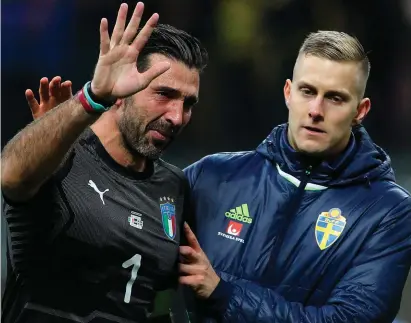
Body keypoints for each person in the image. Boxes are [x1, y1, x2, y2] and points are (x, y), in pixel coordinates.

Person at [177, 31, 411, 322]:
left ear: (359, 111)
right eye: (307, 91)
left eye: (335, 98)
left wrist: (224, 293)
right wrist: (103, 101)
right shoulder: (213, 176)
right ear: (288, 92)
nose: (315, 110)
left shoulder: (387, 212)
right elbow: (120, 217)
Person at [1, 2, 207, 322]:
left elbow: (160, 302)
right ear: (123, 90)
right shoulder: (62, 158)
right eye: (164, 94)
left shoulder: (174, 187)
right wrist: (91, 98)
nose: (177, 117)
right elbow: (10, 175)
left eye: (188, 103)